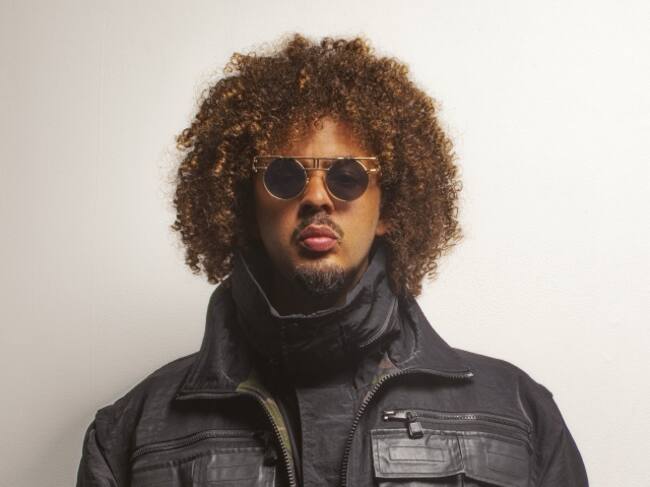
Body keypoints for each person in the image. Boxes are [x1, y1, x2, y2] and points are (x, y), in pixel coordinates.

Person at [76, 34, 588, 486]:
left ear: (390, 207)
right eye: (284, 176)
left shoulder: (519, 416)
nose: (317, 198)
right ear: (244, 206)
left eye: (347, 176)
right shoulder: (132, 434)